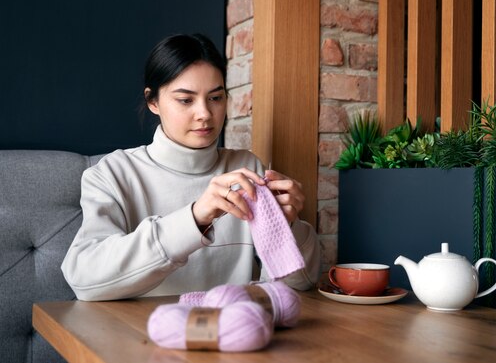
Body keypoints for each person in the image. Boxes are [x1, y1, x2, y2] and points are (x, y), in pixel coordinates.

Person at [61, 33, 321, 301]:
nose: (205, 114)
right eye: (186, 100)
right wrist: (195, 218)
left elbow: (303, 283)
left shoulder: (246, 167)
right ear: (153, 102)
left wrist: (289, 227)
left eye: (216, 98)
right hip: (144, 336)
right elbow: (84, 279)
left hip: (237, 334)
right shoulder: (113, 174)